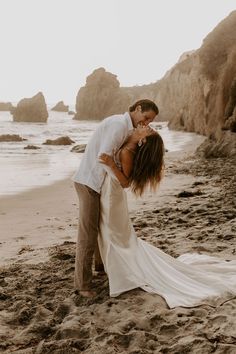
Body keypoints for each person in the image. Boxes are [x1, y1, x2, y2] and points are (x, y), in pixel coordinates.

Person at [98, 130, 236, 308]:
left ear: (143, 141)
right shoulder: (127, 148)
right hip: (112, 195)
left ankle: (120, 271)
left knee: (114, 233)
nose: (145, 127)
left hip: (112, 196)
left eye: (148, 130)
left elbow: (125, 183)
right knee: (117, 234)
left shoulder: (126, 152)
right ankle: (113, 267)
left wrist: (110, 163)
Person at [73, 99, 159, 298]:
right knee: (88, 233)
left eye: (150, 122)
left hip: (99, 183)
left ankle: (100, 267)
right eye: (145, 118)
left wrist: (117, 174)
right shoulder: (119, 125)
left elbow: (114, 159)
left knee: (96, 228)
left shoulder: (127, 130)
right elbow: (103, 157)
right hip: (89, 181)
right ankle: (83, 284)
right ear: (137, 109)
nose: (146, 123)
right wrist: (117, 175)